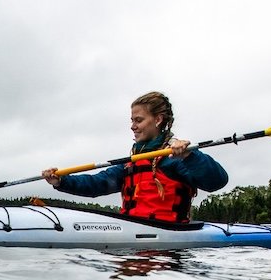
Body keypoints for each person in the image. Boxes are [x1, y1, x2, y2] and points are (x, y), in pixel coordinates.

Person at [42, 91, 228, 223]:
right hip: (131, 229)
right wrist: (60, 181)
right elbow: (97, 183)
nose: (133, 126)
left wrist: (190, 155)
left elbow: (217, 181)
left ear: (157, 120)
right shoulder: (132, 163)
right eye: (132, 120)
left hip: (169, 244)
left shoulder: (176, 158)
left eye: (138, 120)